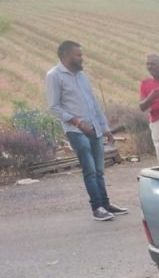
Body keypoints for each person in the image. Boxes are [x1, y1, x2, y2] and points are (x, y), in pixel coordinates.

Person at [45, 40, 127, 222]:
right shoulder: (54, 76)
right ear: (66, 55)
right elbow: (53, 107)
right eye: (78, 55)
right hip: (76, 130)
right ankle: (96, 207)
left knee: (99, 170)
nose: (81, 58)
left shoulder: (82, 76)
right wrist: (77, 122)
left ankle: (106, 204)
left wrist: (105, 129)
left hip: (95, 129)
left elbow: (94, 104)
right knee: (89, 169)